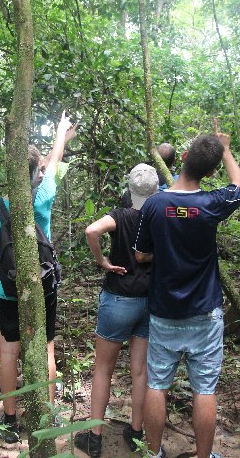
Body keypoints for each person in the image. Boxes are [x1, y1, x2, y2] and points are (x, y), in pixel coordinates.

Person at [134, 119, 240, 458]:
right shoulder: (212, 204)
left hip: (165, 310)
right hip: (204, 312)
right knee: (204, 389)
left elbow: (141, 254)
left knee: (157, 384)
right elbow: (239, 183)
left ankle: (153, 453)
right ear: (210, 174)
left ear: (183, 157)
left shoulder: (154, 204)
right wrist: (225, 149)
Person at [0, 112, 77, 443]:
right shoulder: (44, 195)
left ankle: (9, 421)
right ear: (35, 173)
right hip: (42, 285)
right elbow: (53, 163)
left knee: (7, 350)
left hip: (9, 289)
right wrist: (61, 133)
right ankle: (46, 415)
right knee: (47, 348)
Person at [74, 164, 160, 457]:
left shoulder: (120, 216)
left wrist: (103, 261)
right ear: (155, 189)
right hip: (149, 300)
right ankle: (136, 431)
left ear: (130, 188)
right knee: (140, 372)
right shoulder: (159, 216)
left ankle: (95, 437)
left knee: (103, 369)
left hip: (119, 298)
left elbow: (91, 230)